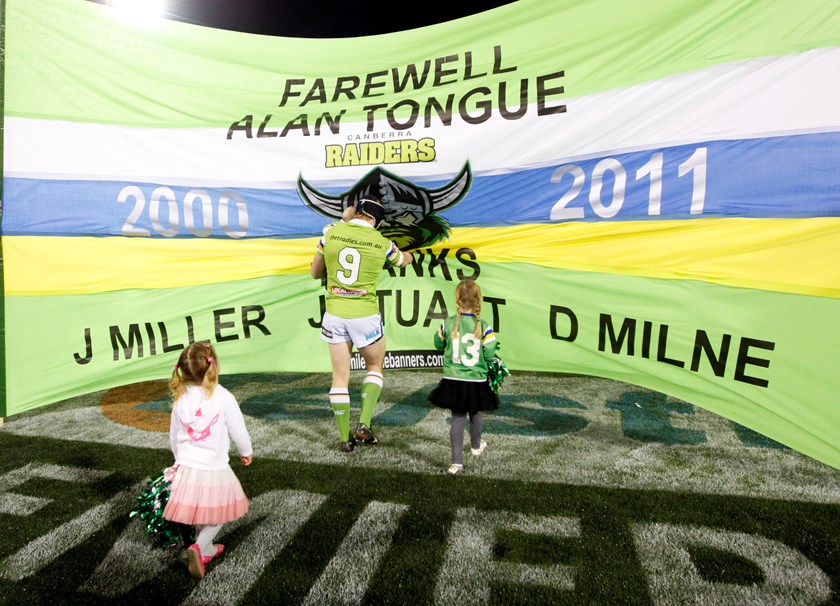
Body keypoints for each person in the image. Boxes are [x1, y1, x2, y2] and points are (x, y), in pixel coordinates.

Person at [310, 198, 414, 454]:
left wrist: (343, 219)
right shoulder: (382, 243)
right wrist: (411, 255)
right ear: (377, 222)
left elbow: (315, 273)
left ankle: (345, 440)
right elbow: (402, 260)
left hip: (334, 314)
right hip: (364, 315)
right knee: (375, 366)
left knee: (339, 377)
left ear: (355, 212)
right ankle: (364, 424)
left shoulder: (331, 232)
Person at [163, 341, 253, 579]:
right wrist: (246, 451)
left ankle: (207, 548)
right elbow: (238, 429)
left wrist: (179, 459)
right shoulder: (223, 396)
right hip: (214, 467)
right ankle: (199, 546)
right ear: (212, 365)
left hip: (187, 467)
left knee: (199, 509)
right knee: (218, 512)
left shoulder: (181, 399)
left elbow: (174, 435)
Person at [428, 278, 500, 474]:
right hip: (476, 379)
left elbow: (437, 343)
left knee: (458, 418)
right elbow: (489, 353)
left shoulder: (448, 323)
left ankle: (456, 463)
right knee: (476, 412)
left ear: (458, 299)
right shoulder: (484, 326)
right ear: (478, 301)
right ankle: (476, 446)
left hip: (453, 380)